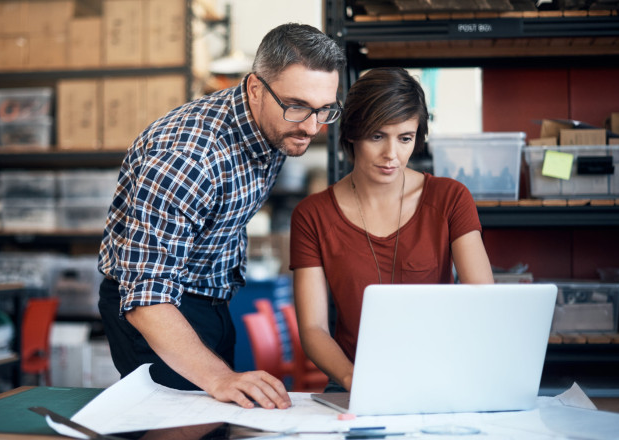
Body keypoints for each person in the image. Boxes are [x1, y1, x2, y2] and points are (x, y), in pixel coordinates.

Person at [97, 23, 346, 410]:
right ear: (255, 89)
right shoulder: (187, 158)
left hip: (212, 297)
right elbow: (146, 295)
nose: (312, 127)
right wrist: (219, 377)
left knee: (219, 417)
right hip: (156, 309)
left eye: (324, 109)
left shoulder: (278, 124)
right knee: (179, 424)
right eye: (297, 106)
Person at [289, 67, 494, 393]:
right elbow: (313, 328)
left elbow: (483, 301)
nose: (391, 155)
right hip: (353, 382)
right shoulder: (312, 216)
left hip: (441, 377)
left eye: (405, 138)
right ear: (352, 133)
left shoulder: (450, 198)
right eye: (376, 136)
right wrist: (350, 377)